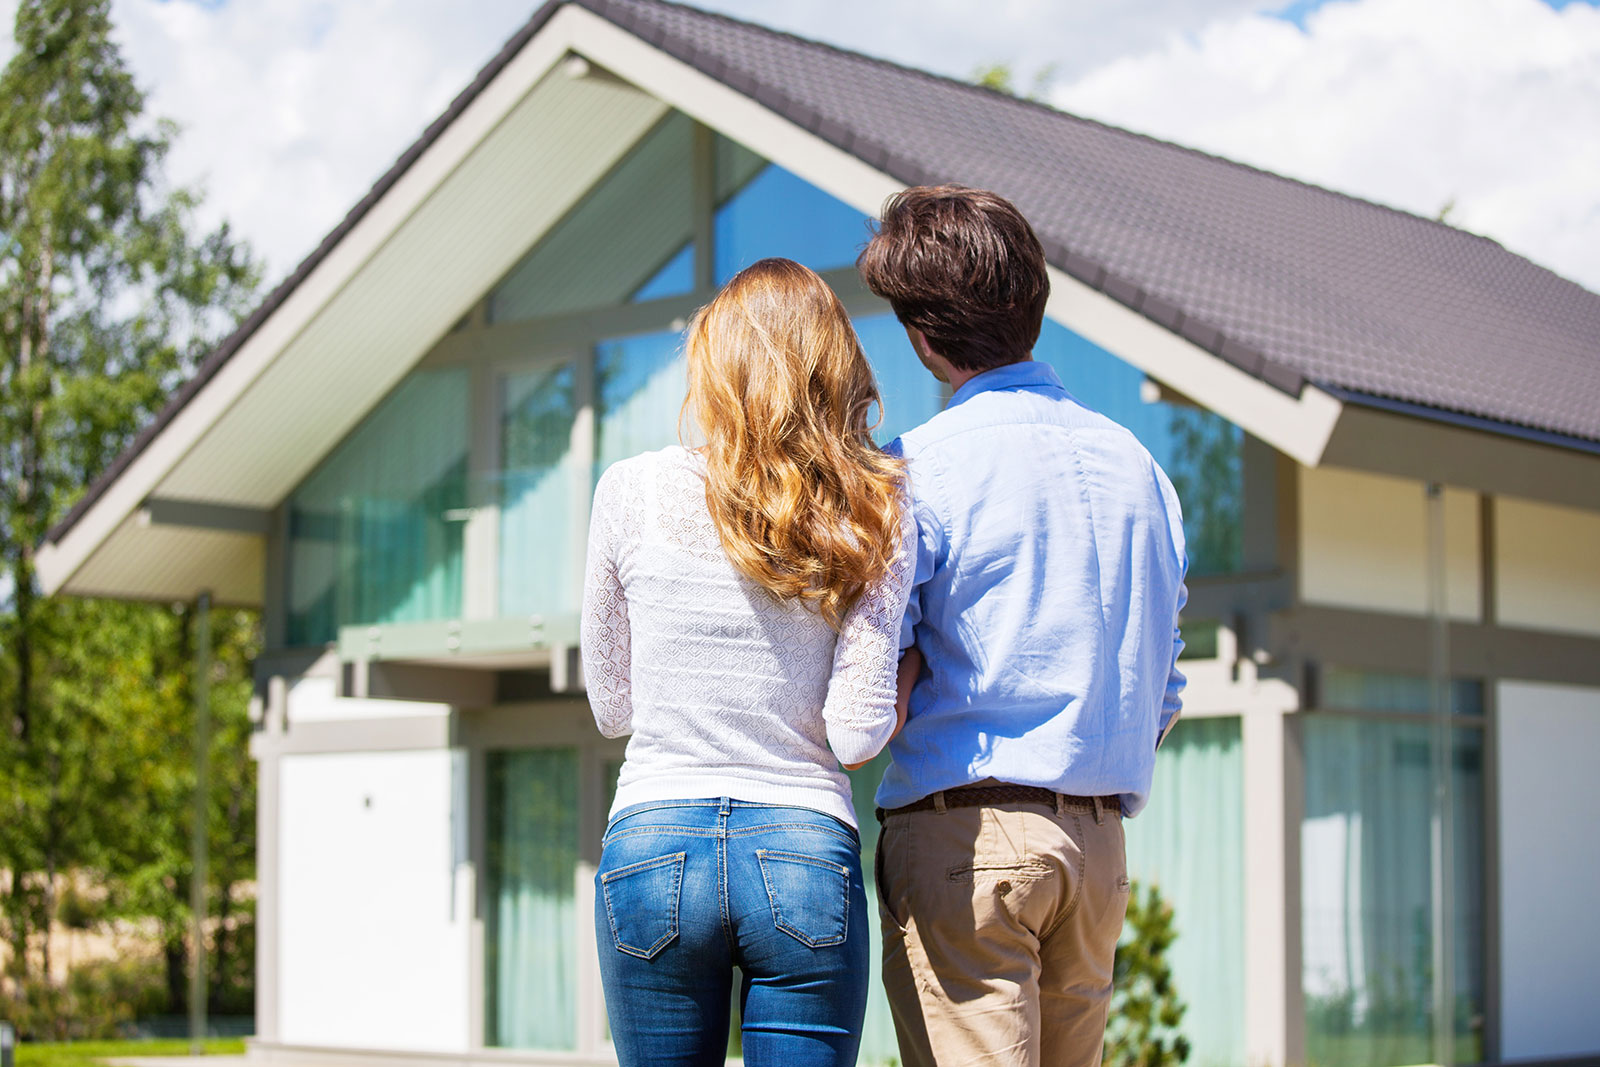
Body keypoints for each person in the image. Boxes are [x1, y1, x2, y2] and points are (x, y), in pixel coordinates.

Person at [857, 186, 1189, 1067]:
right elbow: (1165, 688)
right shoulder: (1141, 467)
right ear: (1033, 304)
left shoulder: (916, 469)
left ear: (922, 335)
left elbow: (870, 685)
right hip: (1097, 842)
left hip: (967, 833)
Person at [580, 257, 915, 1067]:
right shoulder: (876, 504)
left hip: (653, 839)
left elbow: (612, 709)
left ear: (712, 363)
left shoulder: (629, 488)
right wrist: (912, 672)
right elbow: (856, 733)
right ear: (834, 367)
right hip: (802, 844)